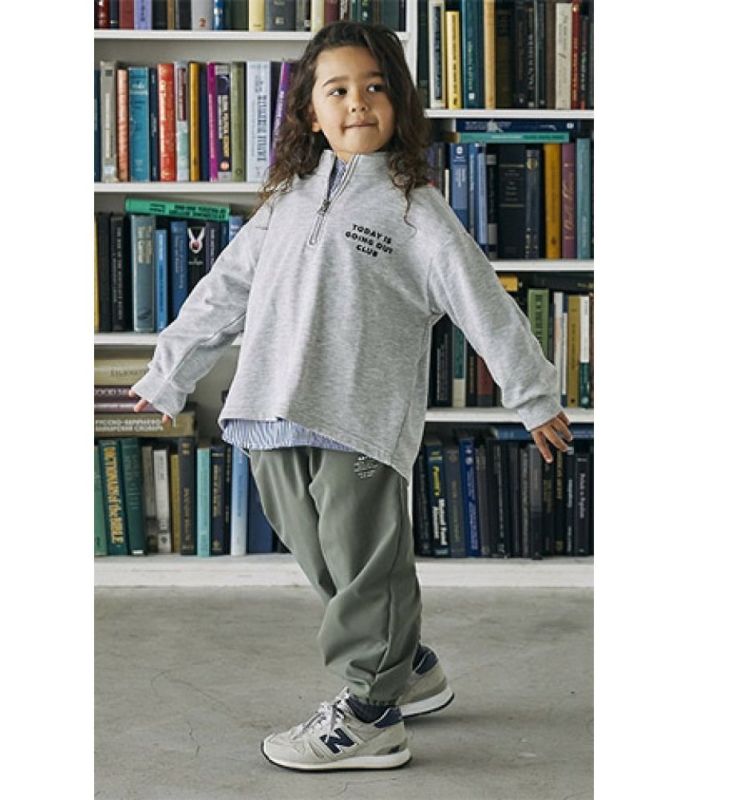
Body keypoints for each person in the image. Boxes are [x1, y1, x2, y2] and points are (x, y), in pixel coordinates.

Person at [129, 20, 572, 772]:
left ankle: (372, 714)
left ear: (398, 105)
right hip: (269, 409)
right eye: (337, 90)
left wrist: (533, 396)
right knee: (325, 562)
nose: (357, 103)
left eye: (374, 88)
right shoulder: (286, 201)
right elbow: (224, 291)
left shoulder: (417, 210)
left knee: (367, 569)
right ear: (310, 111)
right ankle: (412, 668)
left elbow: (485, 306)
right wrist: (169, 371)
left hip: (359, 420)